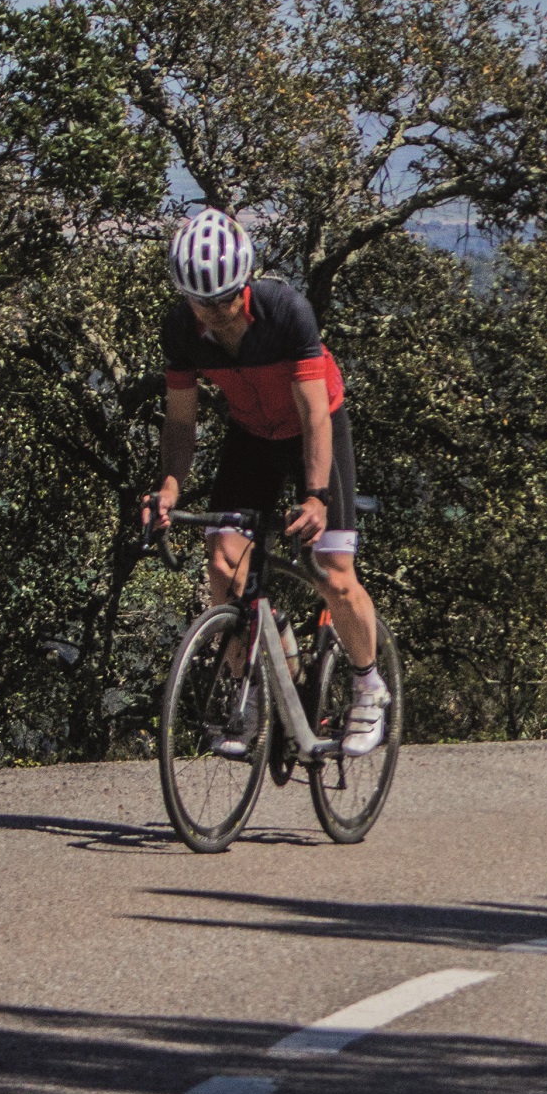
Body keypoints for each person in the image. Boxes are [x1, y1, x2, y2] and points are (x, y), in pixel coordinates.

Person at [139, 208, 389, 758]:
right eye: (201, 302)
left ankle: (368, 682)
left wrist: (316, 496)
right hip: (250, 434)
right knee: (224, 563)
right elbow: (181, 421)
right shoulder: (181, 329)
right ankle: (249, 687)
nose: (216, 314)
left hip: (313, 430)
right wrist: (170, 488)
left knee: (332, 569)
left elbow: (315, 415)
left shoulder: (285, 311)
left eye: (225, 299)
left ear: (244, 285)